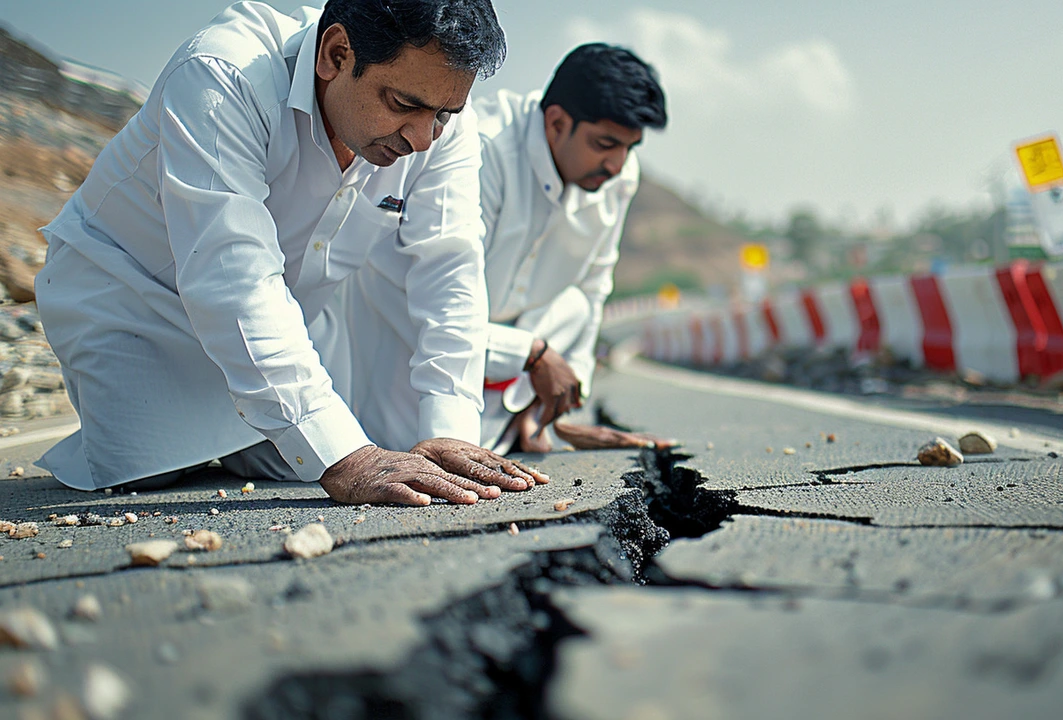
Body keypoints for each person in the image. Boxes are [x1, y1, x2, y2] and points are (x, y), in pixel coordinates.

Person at [35, 0, 546, 506]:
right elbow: (233, 274)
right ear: (336, 53)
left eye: (442, 115)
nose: (421, 138)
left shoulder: (438, 121)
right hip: (132, 304)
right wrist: (346, 457)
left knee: (318, 460)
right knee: (149, 477)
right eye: (402, 104)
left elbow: (450, 268)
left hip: (287, 322)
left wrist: (451, 430)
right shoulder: (222, 73)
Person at [314, 43, 671, 455]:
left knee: (575, 303)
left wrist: (563, 406)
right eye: (605, 144)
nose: (617, 164)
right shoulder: (486, 150)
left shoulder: (618, 177)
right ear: (556, 123)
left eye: (629, 148)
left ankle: (528, 422)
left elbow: (593, 292)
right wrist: (531, 356)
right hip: (408, 346)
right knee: (418, 454)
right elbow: (431, 298)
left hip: (508, 364)